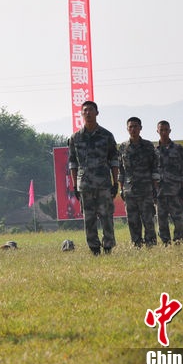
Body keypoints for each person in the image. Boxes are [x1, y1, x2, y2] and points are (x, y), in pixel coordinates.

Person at [68, 100, 120, 255]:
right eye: (85, 110)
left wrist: (115, 182)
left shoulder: (106, 135)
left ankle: (108, 247)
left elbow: (114, 160)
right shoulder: (75, 138)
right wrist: (74, 185)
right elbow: (73, 163)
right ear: (81, 114)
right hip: (85, 185)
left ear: (97, 113)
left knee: (106, 217)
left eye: (91, 110)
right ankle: (94, 249)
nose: (88, 113)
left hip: (103, 184)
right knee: (89, 219)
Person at [117, 117, 159, 248]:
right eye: (130, 127)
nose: (133, 129)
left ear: (140, 128)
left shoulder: (148, 146)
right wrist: (121, 188)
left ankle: (151, 244)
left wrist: (155, 188)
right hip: (129, 190)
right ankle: (136, 245)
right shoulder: (123, 147)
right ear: (127, 129)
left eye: (135, 126)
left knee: (148, 219)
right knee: (133, 220)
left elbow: (155, 168)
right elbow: (121, 170)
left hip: (146, 189)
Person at [153, 120, 183, 245]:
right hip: (160, 192)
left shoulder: (178, 148)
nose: (164, 132)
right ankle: (166, 243)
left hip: (175, 191)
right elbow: (152, 171)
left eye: (166, 130)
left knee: (178, 219)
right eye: (161, 130)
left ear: (170, 131)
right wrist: (154, 189)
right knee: (161, 221)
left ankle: (180, 242)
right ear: (157, 131)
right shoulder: (154, 150)